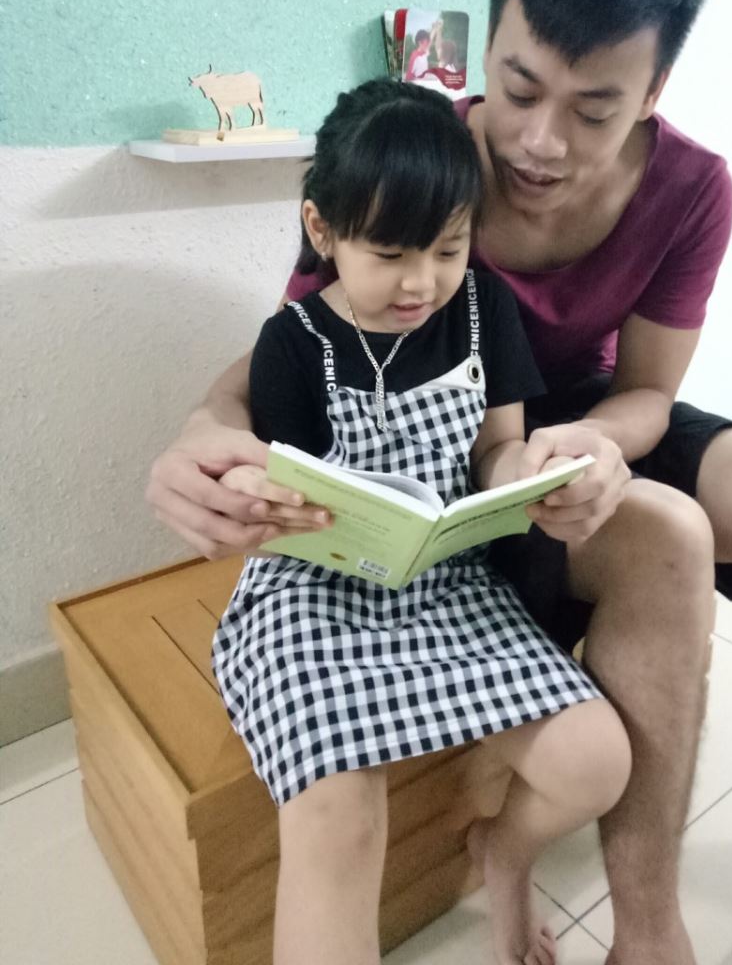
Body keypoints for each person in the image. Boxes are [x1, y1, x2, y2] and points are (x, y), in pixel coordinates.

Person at [147, 0, 732, 965]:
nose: (541, 142)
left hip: (579, 417)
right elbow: (302, 339)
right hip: (442, 456)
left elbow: (648, 393)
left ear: (653, 92)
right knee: (668, 538)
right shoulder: (415, 161)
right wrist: (202, 427)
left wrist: (595, 447)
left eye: (594, 110)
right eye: (518, 88)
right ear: (486, 50)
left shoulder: (692, 188)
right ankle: (645, 918)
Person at [211, 78, 632, 965]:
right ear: (322, 230)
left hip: (446, 584)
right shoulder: (293, 343)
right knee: (337, 817)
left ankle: (505, 852)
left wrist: (532, 478)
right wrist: (264, 498)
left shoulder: (482, 309)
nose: (421, 282)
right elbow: (286, 504)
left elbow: (496, 450)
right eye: (390, 253)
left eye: (448, 247)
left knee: (596, 761)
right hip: (316, 592)